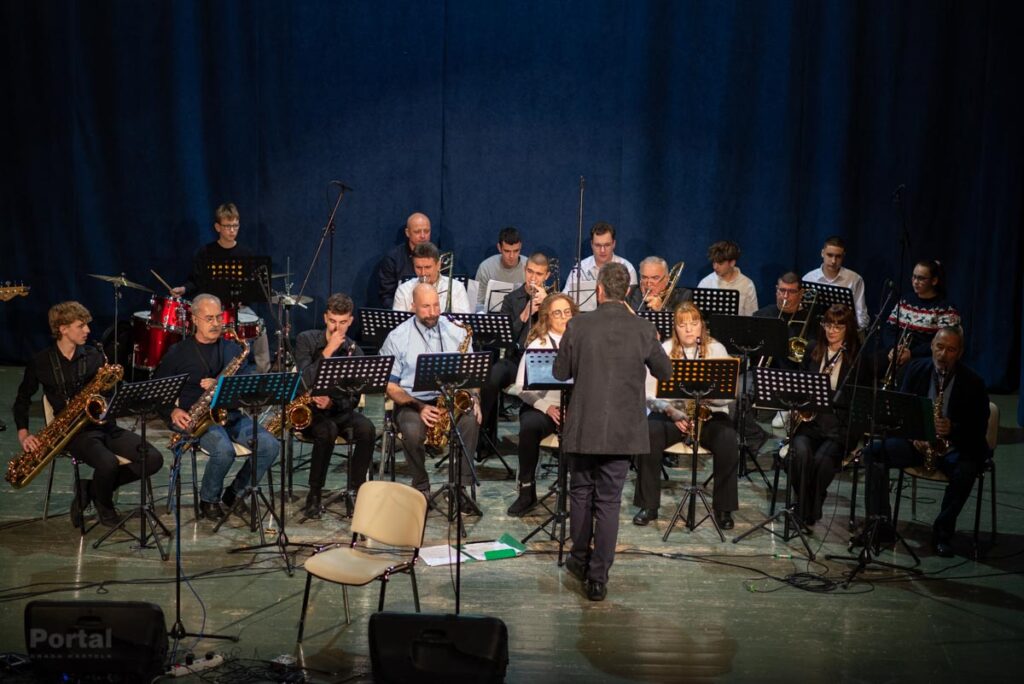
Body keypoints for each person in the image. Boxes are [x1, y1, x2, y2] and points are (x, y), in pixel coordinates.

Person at [553, 263, 671, 601]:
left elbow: (560, 372)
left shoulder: (578, 324)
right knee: (608, 501)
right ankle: (598, 578)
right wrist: (650, 337)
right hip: (623, 431)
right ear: (629, 292)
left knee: (580, 494)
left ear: (600, 290)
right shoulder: (643, 328)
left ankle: (579, 560)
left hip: (584, 427)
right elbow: (665, 371)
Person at [13, 301, 163, 527]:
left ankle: (91, 489)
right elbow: (22, 399)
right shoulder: (41, 362)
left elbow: (109, 394)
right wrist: (24, 434)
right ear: (63, 329)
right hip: (72, 433)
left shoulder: (94, 356)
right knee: (108, 463)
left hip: (104, 425)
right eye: (81, 326)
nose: (88, 330)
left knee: (153, 459)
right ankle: (105, 505)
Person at [860, 327, 989, 558]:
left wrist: (952, 429)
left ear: (960, 353)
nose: (943, 355)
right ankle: (881, 525)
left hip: (953, 448)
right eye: (939, 347)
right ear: (931, 346)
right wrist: (913, 436)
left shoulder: (974, 383)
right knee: (873, 452)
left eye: (950, 350)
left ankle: (942, 533)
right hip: (917, 444)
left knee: (966, 471)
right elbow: (899, 413)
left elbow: (979, 428)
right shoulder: (915, 369)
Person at [153, 293, 279, 521]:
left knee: (270, 445)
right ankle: (209, 499)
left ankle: (235, 493)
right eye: (209, 318)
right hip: (199, 419)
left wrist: (221, 385)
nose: (216, 323)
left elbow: (247, 385)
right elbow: (158, 391)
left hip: (231, 414)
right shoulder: (178, 352)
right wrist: (172, 411)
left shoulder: (233, 349)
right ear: (195, 319)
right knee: (223, 451)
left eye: (219, 318)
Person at [633, 301, 741, 531]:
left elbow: (729, 396)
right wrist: (671, 411)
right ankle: (648, 505)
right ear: (675, 328)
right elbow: (648, 394)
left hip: (709, 415)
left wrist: (711, 398)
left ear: (702, 325)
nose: (689, 329)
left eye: (694, 323)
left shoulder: (717, 349)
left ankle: (724, 509)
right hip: (674, 414)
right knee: (649, 433)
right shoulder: (664, 349)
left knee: (728, 439)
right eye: (683, 325)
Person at [380, 283, 482, 511]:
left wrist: (475, 398)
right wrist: (420, 407)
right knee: (411, 431)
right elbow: (390, 386)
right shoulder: (398, 336)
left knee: (470, 420)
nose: (433, 312)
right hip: (412, 401)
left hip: (450, 399)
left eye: (436, 305)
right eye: (426, 307)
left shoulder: (456, 330)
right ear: (413, 306)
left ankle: (459, 487)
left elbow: (473, 373)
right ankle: (421, 485)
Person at [292, 293, 376, 519]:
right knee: (326, 430)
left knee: (367, 429)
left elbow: (354, 398)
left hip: (338, 410)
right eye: (332, 321)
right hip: (310, 413)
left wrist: (332, 402)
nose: (337, 328)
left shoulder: (354, 351)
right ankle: (314, 494)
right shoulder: (306, 340)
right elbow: (303, 381)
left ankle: (356, 490)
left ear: (350, 321)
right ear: (325, 318)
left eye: (343, 322)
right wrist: (327, 352)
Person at [788, 304, 864, 530]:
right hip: (810, 423)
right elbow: (799, 384)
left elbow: (858, 402)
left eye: (838, 326)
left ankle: (806, 508)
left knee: (822, 462)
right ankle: (806, 508)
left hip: (838, 428)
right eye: (828, 324)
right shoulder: (813, 349)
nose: (831, 330)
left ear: (848, 329)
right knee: (799, 454)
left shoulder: (857, 359)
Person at [172, 202, 271, 372]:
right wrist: (183, 289)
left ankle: (263, 375)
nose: (232, 230)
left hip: (238, 309)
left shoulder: (246, 254)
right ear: (217, 227)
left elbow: (253, 287)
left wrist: (246, 296)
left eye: (235, 226)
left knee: (260, 326)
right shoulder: (205, 252)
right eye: (227, 226)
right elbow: (195, 281)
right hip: (212, 310)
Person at [506, 293, 578, 516]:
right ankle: (526, 492)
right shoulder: (539, 344)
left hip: (575, 407)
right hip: (544, 408)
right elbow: (522, 387)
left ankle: (584, 494)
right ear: (547, 317)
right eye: (557, 313)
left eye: (567, 312)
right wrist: (547, 407)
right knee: (529, 426)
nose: (563, 317)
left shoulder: (583, 342)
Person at [476, 253, 551, 456]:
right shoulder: (511, 299)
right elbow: (505, 339)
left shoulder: (554, 301)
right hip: (516, 359)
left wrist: (546, 306)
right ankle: (484, 437)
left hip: (544, 362)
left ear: (546, 276)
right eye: (530, 272)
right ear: (525, 271)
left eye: (539, 274)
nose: (533, 278)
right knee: (492, 377)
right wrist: (525, 313)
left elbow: (560, 332)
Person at [754, 272, 821, 427]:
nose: (785, 296)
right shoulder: (762, 315)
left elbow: (813, 357)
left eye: (791, 292)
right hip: (766, 375)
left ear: (801, 293)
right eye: (782, 290)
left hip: (794, 377)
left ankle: (788, 409)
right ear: (776, 290)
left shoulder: (812, 321)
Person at [880, 259, 961, 383]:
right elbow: (889, 329)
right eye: (914, 277)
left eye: (921, 278)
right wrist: (893, 348)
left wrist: (912, 353)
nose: (915, 282)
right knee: (867, 364)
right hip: (897, 351)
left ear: (934, 281)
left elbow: (941, 343)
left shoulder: (946, 308)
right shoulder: (905, 300)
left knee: (903, 375)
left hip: (922, 357)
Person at [562, 222, 638, 312]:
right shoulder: (580, 269)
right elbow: (565, 298)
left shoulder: (627, 268)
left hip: (617, 317)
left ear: (614, 244)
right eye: (598, 245)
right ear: (591, 244)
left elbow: (632, 303)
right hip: (586, 317)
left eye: (607, 245)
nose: (602, 250)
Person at [803, 235, 869, 330]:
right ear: (822, 253)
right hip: (815, 330)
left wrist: (857, 332)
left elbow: (860, 313)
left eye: (838, 256)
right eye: (830, 255)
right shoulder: (809, 278)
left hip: (843, 331)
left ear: (843, 256)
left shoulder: (854, 279)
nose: (833, 261)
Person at [391, 242, 472, 314]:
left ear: (438, 265)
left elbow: (463, 323)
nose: (423, 273)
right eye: (418, 267)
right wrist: (412, 316)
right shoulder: (403, 290)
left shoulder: (456, 288)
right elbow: (399, 324)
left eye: (427, 267)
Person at [378, 212, 432, 308]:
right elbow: (387, 296)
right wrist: (404, 311)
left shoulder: (440, 257)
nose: (423, 236)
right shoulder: (393, 258)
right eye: (417, 232)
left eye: (427, 231)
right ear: (407, 233)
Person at [696, 240, 758, 316]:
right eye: (714, 262)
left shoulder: (747, 284)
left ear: (732, 263)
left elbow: (751, 316)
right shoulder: (705, 283)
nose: (715, 267)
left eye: (720, 263)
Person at [475, 226, 528, 309]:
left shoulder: (529, 267)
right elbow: (477, 303)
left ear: (520, 247)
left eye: (516, 251)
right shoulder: (486, 268)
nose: (512, 256)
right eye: (507, 251)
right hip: (492, 315)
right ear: (499, 248)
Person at [627, 256, 693, 314]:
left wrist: (662, 309)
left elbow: (684, 321)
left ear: (667, 279)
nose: (649, 283)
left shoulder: (683, 296)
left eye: (655, 278)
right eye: (644, 277)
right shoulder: (629, 293)